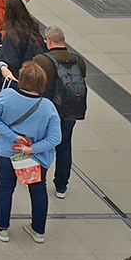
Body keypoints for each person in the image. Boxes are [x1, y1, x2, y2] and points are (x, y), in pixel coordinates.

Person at [0, 60, 61, 243]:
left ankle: (2, 228)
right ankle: (38, 231)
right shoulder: (48, 107)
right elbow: (55, 139)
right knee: (38, 190)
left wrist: (12, 136)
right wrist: (31, 149)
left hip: (7, 151)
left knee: (4, 186)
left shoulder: (7, 96)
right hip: (36, 158)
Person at [33, 26, 89, 199]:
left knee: (39, 144)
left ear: (48, 40)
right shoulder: (78, 60)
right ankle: (61, 186)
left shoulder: (42, 60)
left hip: (47, 110)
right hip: (70, 110)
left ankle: (36, 179)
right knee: (64, 147)